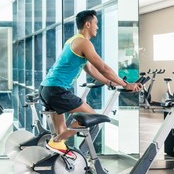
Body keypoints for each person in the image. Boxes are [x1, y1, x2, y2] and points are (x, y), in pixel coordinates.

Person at [40, 9, 142, 157]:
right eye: (96, 24)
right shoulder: (84, 42)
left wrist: (109, 82)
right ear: (87, 24)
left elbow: (90, 69)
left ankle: (58, 154)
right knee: (91, 116)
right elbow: (104, 67)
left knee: (62, 134)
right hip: (57, 90)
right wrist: (126, 85)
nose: (97, 27)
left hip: (46, 88)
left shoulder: (72, 40)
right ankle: (55, 142)